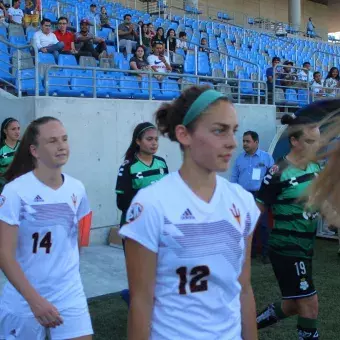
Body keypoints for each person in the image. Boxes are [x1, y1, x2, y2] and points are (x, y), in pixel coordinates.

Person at [119, 86, 260, 340]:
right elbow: (141, 302)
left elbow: (244, 289)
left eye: (233, 131)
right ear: (184, 135)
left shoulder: (242, 202)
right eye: (219, 130)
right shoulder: (152, 204)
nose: (232, 142)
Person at [0, 116, 93, 340]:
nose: (61, 146)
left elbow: (77, 240)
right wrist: (35, 301)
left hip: (69, 293)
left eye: (64, 139)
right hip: (24, 298)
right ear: (34, 150)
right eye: (52, 141)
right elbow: (4, 254)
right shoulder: (14, 192)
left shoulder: (77, 189)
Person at [256, 114, 321, 340]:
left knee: (293, 305)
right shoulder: (278, 171)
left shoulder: (314, 165)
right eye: (310, 142)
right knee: (309, 304)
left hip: (306, 246)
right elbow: (257, 210)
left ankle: (245, 327)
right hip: (286, 247)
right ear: (294, 141)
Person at [115, 122, 168, 306]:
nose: (154, 143)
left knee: (159, 270)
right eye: (149, 139)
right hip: (135, 227)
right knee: (138, 272)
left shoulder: (162, 163)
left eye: (156, 140)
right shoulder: (128, 167)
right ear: (138, 141)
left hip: (159, 226)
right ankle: (135, 303)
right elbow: (122, 203)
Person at [230, 131, 274, 263]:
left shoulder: (266, 158)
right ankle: (251, 251)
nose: (244, 144)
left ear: (256, 142)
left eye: (247, 141)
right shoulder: (239, 159)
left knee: (263, 224)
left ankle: (266, 253)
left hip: (260, 195)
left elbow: (272, 177)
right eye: (243, 141)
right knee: (246, 224)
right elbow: (234, 178)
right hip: (243, 195)